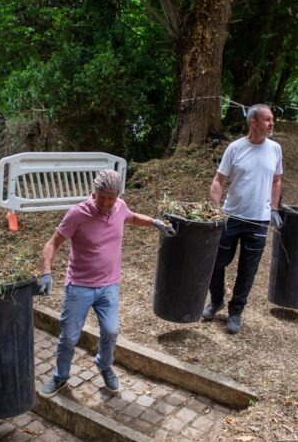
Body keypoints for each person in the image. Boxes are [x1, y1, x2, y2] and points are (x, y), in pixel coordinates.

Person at [37, 170, 175, 398]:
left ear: (117, 196)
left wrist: (155, 222)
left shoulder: (119, 207)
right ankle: (60, 377)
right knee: (69, 337)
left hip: (109, 285)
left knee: (111, 331)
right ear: (94, 193)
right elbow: (52, 243)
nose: (106, 202)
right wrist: (46, 272)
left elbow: (131, 217)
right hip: (79, 286)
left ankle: (104, 364)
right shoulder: (77, 214)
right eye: (102, 197)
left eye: (111, 198)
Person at [202, 104, 284, 335]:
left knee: (248, 270)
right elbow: (218, 181)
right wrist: (216, 209)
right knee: (216, 262)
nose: (271, 124)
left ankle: (235, 312)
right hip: (231, 216)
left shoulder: (275, 149)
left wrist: (274, 209)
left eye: (272, 120)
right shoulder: (235, 148)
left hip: (259, 220)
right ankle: (216, 300)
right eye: (267, 120)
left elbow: (277, 180)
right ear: (253, 122)